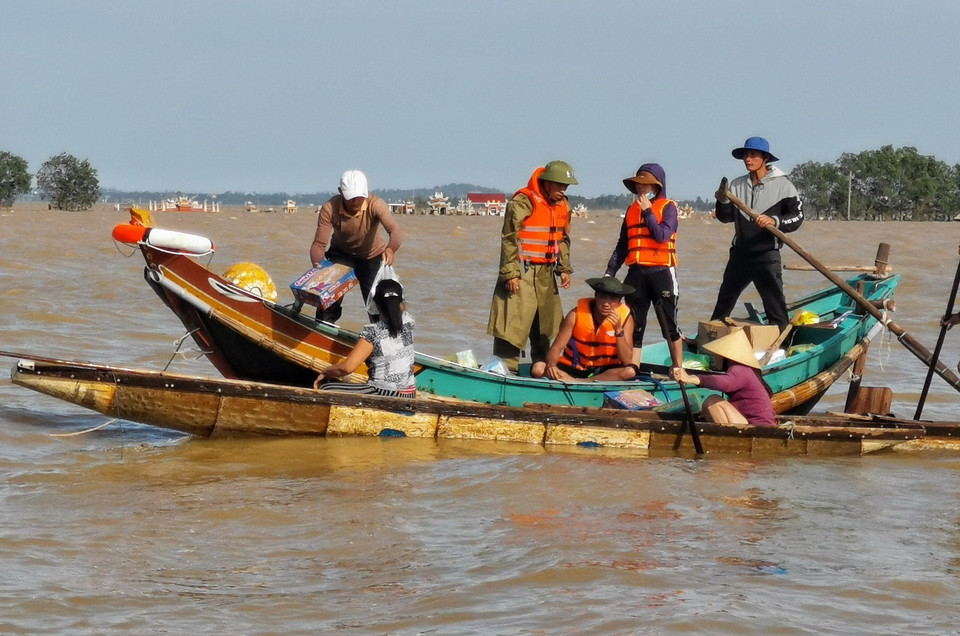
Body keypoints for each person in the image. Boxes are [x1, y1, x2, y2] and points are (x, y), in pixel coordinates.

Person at [487, 160, 578, 373]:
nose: (562, 190)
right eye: (558, 185)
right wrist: (511, 273)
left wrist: (564, 269)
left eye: (566, 186)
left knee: (546, 326)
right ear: (546, 182)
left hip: (546, 274)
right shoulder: (523, 202)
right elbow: (509, 239)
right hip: (522, 270)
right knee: (512, 325)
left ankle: (543, 370)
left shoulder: (564, 205)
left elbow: (563, 239)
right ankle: (505, 371)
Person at [711, 137, 803, 330]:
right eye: (745, 155)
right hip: (741, 254)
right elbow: (725, 217)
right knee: (723, 303)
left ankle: (782, 346)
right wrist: (722, 201)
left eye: (753, 155)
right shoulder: (735, 185)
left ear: (765, 158)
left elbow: (797, 217)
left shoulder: (784, 186)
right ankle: (709, 339)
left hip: (767, 254)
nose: (747, 159)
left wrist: (775, 221)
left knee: (775, 305)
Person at [605, 162, 683, 369]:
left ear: (657, 187)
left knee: (669, 326)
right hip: (636, 274)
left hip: (661, 273)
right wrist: (609, 272)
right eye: (639, 185)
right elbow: (622, 245)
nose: (641, 189)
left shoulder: (669, 208)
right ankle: (632, 369)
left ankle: (678, 370)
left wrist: (649, 213)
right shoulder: (631, 210)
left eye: (646, 185)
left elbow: (661, 237)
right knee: (634, 325)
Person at [309, 169, 405, 323]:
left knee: (377, 305)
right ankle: (322, 329)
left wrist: (390, 249)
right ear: (340, 192)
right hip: (340, 256)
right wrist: (318, 264)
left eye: (360, 197)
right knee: (327, 302)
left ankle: (380, 338)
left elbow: (395, 230)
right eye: (351, 198)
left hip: (371, 257)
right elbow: (319, 244)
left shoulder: (376, 204)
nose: (356, 202)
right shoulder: (330, 208)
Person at [313, 279, 416, 398]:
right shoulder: (409, 321)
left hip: (383, 392)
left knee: (326, 388)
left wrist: (326, 371)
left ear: (376, 304)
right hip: (409, 393)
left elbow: (347, 368)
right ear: (401, 303)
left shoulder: (372, 332)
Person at [531, 277, 637, 382]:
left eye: (612, 299)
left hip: (606, 371)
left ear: (619, 301)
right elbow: (556, 348)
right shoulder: (575, 315)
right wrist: (551, 365)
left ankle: (579, 382)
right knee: (538, 368)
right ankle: (575, 380)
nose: (606, 303)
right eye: (603, 297)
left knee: (629, 372)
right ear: (596, 297)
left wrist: (618, 330)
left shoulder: (626, 319)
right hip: (575, 368)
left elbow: (627, 360)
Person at [671, 329, 775, 426]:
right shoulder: (751, 370)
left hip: (757, 427)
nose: (716, 358)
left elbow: (726, 383)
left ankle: (728, 440)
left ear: (726, 357)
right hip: (752, 422)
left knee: (712, 401)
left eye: (718, 355)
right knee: (707, 410)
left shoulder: (740, 370)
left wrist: (691, 378)